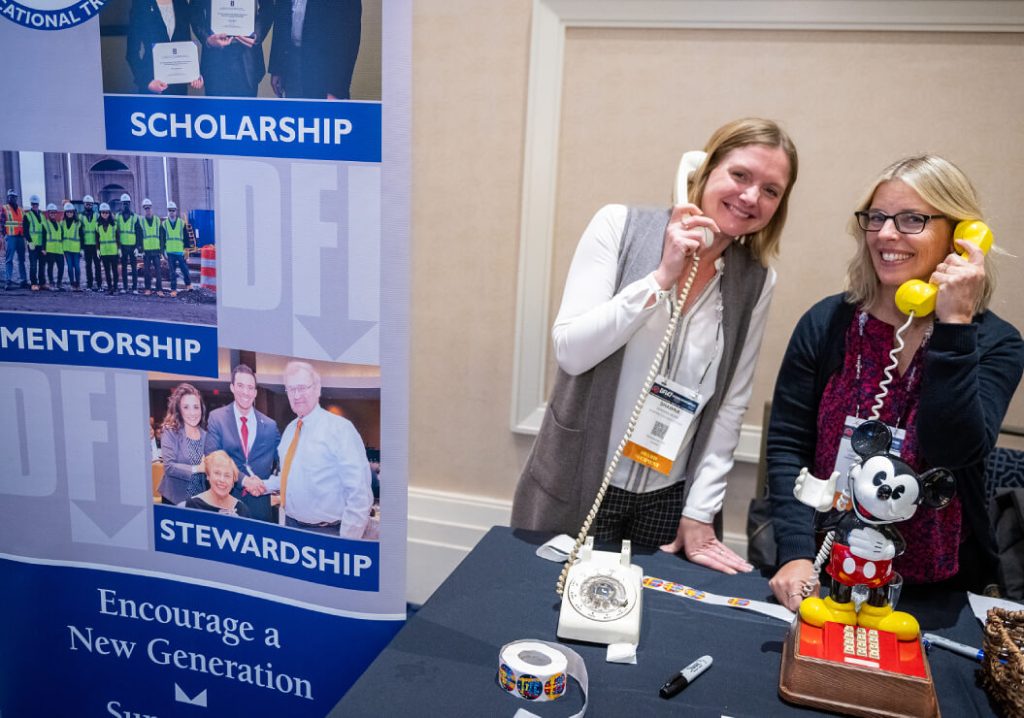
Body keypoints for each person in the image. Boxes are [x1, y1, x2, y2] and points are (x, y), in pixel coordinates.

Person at [511, 118, 799, 574]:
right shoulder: (618, 225)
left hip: (668, 501)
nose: (750, 197)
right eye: (740, 175)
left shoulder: (757, 280)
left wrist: (700, 511)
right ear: (701, 173)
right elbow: (571, 351)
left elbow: (730, 403)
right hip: (582, 483)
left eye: (771, 190)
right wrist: (661, 278)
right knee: (552, 618)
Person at [767, 154, 1024, 612]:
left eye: (912, 220)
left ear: (960, 235)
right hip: (827, 574)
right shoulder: (827, 324)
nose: (886, 234)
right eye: (878, 217)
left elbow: (954, 450)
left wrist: (955, 326)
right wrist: (795, 553)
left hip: (935, 594)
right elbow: (789, 444)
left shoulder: (995, 343)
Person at [247, 361, 373, 538]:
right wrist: (263, 485)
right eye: (291, 389)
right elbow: (290, 476)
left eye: (302, 387)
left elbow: (359, 493)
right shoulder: (290, 430)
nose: (297, 395)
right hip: (290, 525)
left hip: (327, 532)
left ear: (317, 388)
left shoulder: (340, 429)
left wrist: (347, 542)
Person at [206, 364, 280, 522]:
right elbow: (212, 461)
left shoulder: (270, 426)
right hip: (226, 504)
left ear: (255, 392)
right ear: (232, 387)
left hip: (260, 507)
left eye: (250, 387)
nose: (245, 392)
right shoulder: (217, 418)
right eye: (240, 386)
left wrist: (269, 485)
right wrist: (245, 481)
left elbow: (284, 463)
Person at [269, 0, 362, 100]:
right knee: (296, 112)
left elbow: (350, 34)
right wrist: (277, 68)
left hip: (326, 72)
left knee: (326, 113)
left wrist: (336, 89)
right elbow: (281, 16)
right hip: (292, 64)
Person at [191, 0, 274, 97]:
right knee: (215, 110)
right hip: (215, 60)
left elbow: (268, 8)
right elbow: (195, 11)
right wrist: (207, 39)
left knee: (246, 111)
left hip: (247, 59)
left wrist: (256, 34)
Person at [126, 0, 205, 95]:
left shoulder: (181, 3)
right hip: (152, 83)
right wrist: (146, 82)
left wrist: (194, 74)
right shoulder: (141, 4)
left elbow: (186, 45)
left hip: (179, 88)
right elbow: (131, 52)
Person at [158, 382, 209, 505]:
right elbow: (169, 467)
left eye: (196, 407)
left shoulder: (206, 436)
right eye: (186, 407)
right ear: (179, 410)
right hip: (174, 500)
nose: (193, 412)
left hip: (199, 500)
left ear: (201, 409)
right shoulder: (170, 432)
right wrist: (198, 468)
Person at [185, 450, 251, 517]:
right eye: (217, 473)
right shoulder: (193, 505)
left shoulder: (242, 510)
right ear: (208, 476)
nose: (222, 480)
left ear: (233, 482)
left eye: (227, 475)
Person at [163, 201, 191, 296]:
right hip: (170, 252)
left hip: (180, 252)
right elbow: (162, 238)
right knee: (172, 272)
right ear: (168, 211)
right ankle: (173, 290)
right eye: (170, 210)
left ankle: (188, 285)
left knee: (184, 269)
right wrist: (163, 251)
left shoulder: (181, 223)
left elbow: (186, 238)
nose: (171, 212)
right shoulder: (164, 224)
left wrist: (186, 250)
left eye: (173, 210)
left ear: (176, 211)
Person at [138, 198, 165, 296]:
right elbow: (139, 236)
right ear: (144, 209)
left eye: (148, 208)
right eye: (145, 208)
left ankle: (159, 289)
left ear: (151, 208)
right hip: (147, 251)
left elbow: (161, 236)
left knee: (158, 272)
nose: (147, 210)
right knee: (147, 271)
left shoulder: (157, 220)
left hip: (156, 251)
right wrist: (140, 248)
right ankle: (148, 289)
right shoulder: (142, 221)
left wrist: (162, 249)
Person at [2, 189, 28, 289]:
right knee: (9, 259)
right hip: (11, 236)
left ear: (16, 198)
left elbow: (25, 224)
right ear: (8, 198)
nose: (12, 198)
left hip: (20, 237)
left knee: (22, 259)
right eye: (10, 197)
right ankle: (8, 281)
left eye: (14, 197)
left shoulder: (21, 210)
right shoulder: (4, 208)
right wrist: (3, 235)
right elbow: (1, 222)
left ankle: (23, 280)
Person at [116, 193, 140, 294]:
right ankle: (125, 287)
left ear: (130, 204)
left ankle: (135, 288)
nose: (126, 205)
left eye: (127, 203)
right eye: (124, 203)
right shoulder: (117, 217)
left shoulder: (135, 217)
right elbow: (116, 233)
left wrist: (137, 247)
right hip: (123, 247)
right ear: (121, 204)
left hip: (132, 246)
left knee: (134, 268)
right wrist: (118, 247)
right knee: (124, 268)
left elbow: (138, 232)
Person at [80, 195, 102, 292]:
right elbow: (79, 232)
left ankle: (99, 285)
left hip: (95, 245)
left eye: (90, 204)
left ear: (93, 205)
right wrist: (80, 247)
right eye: (87, 204)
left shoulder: (97, 216)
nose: (88, 205)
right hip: (86, 245)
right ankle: (89, 285)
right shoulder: (80, 216)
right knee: (88, 266)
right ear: (84, 204)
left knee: (97, 266)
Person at [23, 195, 46, 291]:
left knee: (42, 265)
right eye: (33, 204)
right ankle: (33, 283)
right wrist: (30, 242)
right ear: (31, 204)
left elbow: (44, 231)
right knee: (33, 265)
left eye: (36, 204)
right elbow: (26, 231)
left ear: (38, 204)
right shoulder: (27, 215)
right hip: (32, 245)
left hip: (41, 245)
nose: (35, 205)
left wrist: (44, 246)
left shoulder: (42, 215)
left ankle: (42, 283)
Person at [96, 203, 119, 295]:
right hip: (104, 251)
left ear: (109, 213)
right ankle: (110, 287)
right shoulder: (97, 225)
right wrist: (97, 249)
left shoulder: (114, 224)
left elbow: (118, 237)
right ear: (100, 213)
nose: (105, 214)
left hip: (113, 251)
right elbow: (97, 238)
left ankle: (115, 286)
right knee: (107, 271)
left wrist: (119, 248)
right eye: (103, 212)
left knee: (114, 270)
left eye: (106, 212)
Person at [60, 202, 83, 292]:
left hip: (76, 249)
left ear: (73, 212)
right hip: (66, 249)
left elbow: (81, 237)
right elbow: (60, 236)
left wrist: (82, 249)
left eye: (71, 212)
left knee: (77, 267)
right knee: (69, 267)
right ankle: (72, 284)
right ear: (65, 213)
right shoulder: (62, 223)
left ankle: (78, 283)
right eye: (67, 212)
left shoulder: (78, 223)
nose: (69, 213)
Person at [43, 203, 64, 291]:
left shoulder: (59, 225)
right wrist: (43, 248)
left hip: (59, 249)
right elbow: (43, 237)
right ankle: (51, 283)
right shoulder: (45, 224)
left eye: (54, 213)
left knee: (61, 267)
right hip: (50, 249)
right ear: (48, 213)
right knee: (50, 267)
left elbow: (62, 237)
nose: (53, 214)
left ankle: (59, 283)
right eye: (51, 213)